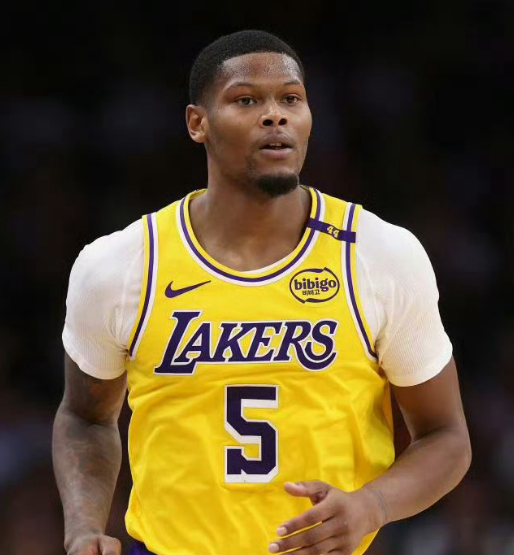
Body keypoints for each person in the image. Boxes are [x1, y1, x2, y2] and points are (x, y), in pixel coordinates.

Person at [53, 29, 471, 555]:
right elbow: (85, 417)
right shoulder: (118, 266)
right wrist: (84, 527)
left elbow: (446, 437)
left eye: (291, 99)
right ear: (197, 123)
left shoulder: (379, 254)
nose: (275, 116)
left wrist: (373, 505)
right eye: (246, 100)